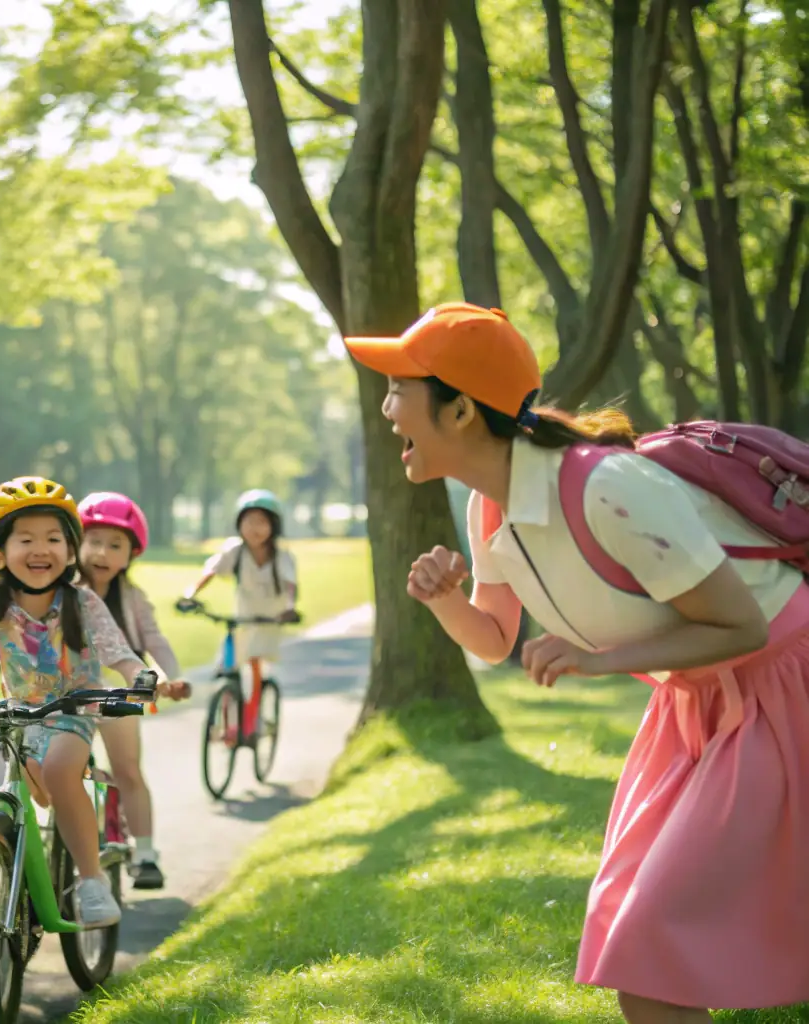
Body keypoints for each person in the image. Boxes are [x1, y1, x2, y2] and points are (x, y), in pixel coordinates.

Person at [344, 302, 809, 1024]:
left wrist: (599, 661)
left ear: (460, 409)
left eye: (401, 385)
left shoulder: (606, 487)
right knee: (636, 931)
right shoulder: (489, 507)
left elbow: (741, 625)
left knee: (654, 931)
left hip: (783, 683)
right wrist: (443, 600)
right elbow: (495, 642)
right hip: (696, 704)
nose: (386, 405)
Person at [0, 476, 187, 927]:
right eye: (26, 539)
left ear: (70, 550)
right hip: (17, 717)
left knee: (63, 773)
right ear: (0, 554)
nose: (41, 548)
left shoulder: (81, 601)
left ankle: (91, 880)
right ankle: (7, 861)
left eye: (53, 538)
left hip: (73, 713)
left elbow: (119, 652)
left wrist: (146, 677)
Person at [78, 490, 192, 890]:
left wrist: (169, 677)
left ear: (131, 554)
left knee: (127, 769)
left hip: (117, 696)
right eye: (93, 541)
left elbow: (155, 642)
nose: (102, 553)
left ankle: (144, 852)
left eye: (115, 545)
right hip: (66, 694)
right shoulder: (59, 591)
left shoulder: (133, 599)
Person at [180, 490, 299, 734]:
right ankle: (226, 721)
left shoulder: (282, 557)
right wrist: (191, 593)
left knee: (254, 665)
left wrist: (289, 609)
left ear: (273, 526)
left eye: (261, 522)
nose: (254, 529)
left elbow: (290, 587)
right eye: (249, 521)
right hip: (241, 619)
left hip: (268, 621)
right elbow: (211, 571)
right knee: (225, 665)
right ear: (239, 524)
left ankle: (252, 722)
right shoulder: (235, 551)